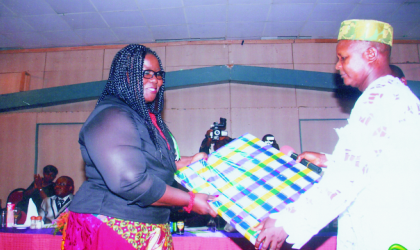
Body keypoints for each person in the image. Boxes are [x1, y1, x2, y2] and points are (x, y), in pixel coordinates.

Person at [254, 20, 420, 250]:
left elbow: (347, 178)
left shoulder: (377, 100)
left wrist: (286, 223)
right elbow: (379, 164)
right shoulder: (397, 96)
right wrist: (326, 160)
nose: (337, 66)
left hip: (385, 233)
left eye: (343, 58)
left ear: (371, 54)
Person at [66, 44, 217, 250]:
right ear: (126, 76)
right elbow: (130, 182)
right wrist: (189, 200)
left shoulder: (147, 117)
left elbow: (156, 165)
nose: (155, 80)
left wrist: (188, 162)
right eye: (146, 73)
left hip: (149, 222)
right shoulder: (112, 116)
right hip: (113, 223)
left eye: (158, 74)